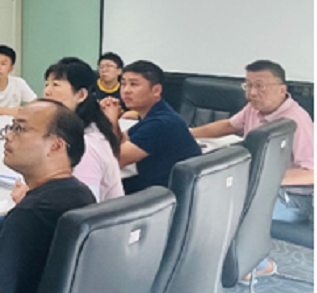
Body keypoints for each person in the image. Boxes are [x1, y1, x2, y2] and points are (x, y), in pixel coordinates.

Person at [0, 100, 95, 293]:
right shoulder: (81, 194)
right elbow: (19, 255)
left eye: (20, 128)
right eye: (11, 126)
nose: (8, 135)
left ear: (56, 146)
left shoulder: (31, 213)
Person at [191, 60, 313, 222]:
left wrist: (260, 178)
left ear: (282, 90)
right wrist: (189, 134)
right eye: (248, 86)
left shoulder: (296, 121)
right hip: (257, 186)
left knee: (228, 213)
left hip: (292, 197)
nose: (252, 93)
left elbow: (311, 173)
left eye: (260, 86)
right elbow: (229, 125)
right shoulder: (255, 108)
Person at [101, 60, 200, 194]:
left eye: (134, 84)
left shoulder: (161, 123)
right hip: (155, 188)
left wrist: (111, 120)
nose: (126, 90)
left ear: (156, 90)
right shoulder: (155, 114)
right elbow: (124, 139)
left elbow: (116, 161)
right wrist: (114, 121)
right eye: (123, 84)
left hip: (163, 195)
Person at [43, 59, 124, 201]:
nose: (47, 92)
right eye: (46, 84)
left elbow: (84, 204)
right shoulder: (76, 131)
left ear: (81, 95)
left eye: (56, 85)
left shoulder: (86, 145)